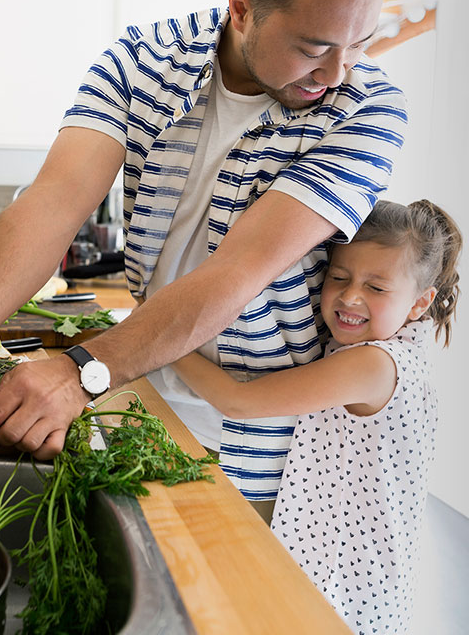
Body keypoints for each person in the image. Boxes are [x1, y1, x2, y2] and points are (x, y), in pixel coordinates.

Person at [0, 0, 407, 518]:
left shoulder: (370, 109)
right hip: (133, 407)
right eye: (314, 47)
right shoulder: (142, 58)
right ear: (242, 8)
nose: (339, 71)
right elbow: (53, 201)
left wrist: (82, 372)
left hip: (261, 458)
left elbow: (237, 272)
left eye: (360, 42)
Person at [170, 199, 462, 634]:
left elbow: (239, 401)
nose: (350, 296)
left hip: (348, 582)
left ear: (420, 302)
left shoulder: (373, 366)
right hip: (371, 571)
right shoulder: (405, 347)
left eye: (376, 288)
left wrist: (159, 340)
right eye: (338, 277)